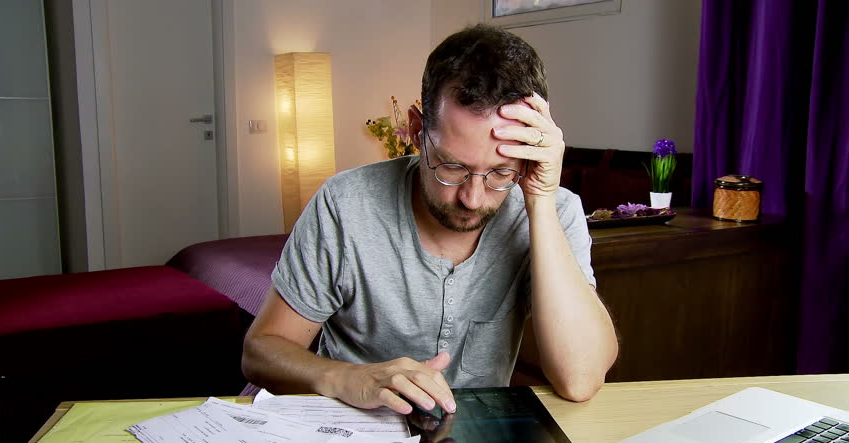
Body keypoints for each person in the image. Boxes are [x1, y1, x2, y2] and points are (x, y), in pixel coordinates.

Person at [242, 23, 618, 415]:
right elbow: (260, 352)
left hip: (474, 435)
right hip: (353, 430)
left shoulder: (553, 209)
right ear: (417, 130)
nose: (473, 198)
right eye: (452, 167)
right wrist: (348, 378)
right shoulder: (344, 204)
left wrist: (539, 202)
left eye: (501, 172)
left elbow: (580, 379)